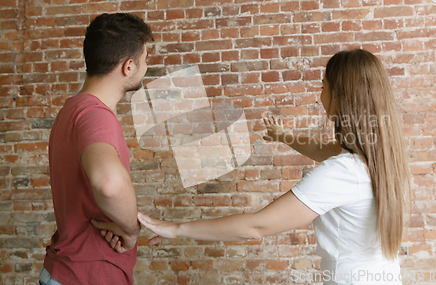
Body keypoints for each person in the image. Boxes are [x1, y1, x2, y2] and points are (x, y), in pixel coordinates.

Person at [94, 49, 411, 285]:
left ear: (341, 97)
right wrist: (283, 135)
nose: (319, 95)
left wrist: (176, 228)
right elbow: (322, 149)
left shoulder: (341, 173)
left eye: (324, 85)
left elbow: (256, 226)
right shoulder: (381, 161)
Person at [39, 13, 154, 285]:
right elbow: (109, 184)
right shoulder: (96, 116)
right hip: (89, 274)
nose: (146, 66)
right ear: (129, 66)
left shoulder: (72, 109)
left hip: (65, 270)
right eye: (146, 59)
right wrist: (130, 229)